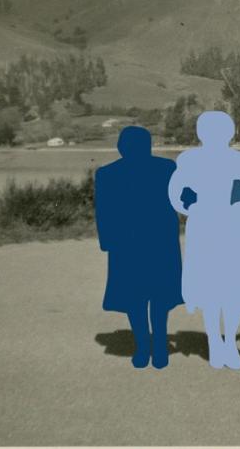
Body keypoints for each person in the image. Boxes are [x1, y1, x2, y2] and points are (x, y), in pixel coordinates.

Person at [168, 111, 240, 370]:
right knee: (212, 286)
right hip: (206, 227)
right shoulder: (189, 159)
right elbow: (175, 192)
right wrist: (191, 209)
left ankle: (229, 341)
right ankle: (214, 341)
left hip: (231, 228)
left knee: (231, 287)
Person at [95, 126, 183, 369]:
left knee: (134, 297)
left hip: (126, 244)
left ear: (121, 147)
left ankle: (143, 348)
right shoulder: (167, 168)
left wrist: (107, 242)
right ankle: (160, 348)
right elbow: (182, 199)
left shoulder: (107, 173)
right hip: (161, 242)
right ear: (149, 146)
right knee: (159, 296)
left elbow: (103, 212)